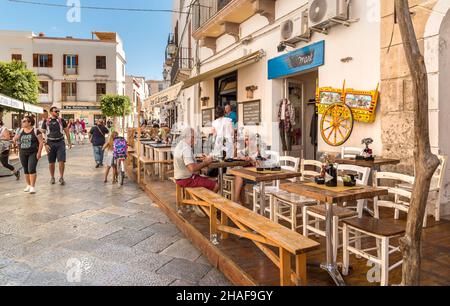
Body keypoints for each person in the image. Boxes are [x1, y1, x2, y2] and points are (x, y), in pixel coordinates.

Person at [174, 127, 219, 193]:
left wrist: (196, 157)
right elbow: (192, 169)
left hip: (180, 177)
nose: (195, 139)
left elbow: (185, 159)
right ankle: (206, 202)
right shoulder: (186, 149)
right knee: (216, 185)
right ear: (191, 137)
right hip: (186, 179)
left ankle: (202, 200)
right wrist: (205, 162)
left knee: (210, 179)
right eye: (195, 137)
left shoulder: (180, 145)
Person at [41, 106, 72, 185]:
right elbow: (42, 133)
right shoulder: (46, 121)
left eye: (58, 111)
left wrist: (69, 142)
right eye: (56, 111)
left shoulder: (61, 120)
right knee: (51, 162)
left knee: (61, 161)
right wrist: (45, 144)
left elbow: (67, 131)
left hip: (60, 142)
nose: (57, 112)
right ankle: (52, 177)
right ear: (51, 112)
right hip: (50, 143)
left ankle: (61, 177)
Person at [14, 116, 44, 194]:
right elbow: (15, 138)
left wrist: (39, 152)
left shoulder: (36, 131)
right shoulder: (20, 131)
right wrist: (15, 138)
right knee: (26, 169)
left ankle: (32, 187)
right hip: (23, 152)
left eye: (24, 121)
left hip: (33, 153)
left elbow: (41, 142)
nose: (22, 122)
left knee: (31, 169)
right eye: (22, 121)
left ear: (29, 122)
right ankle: (28, 185)